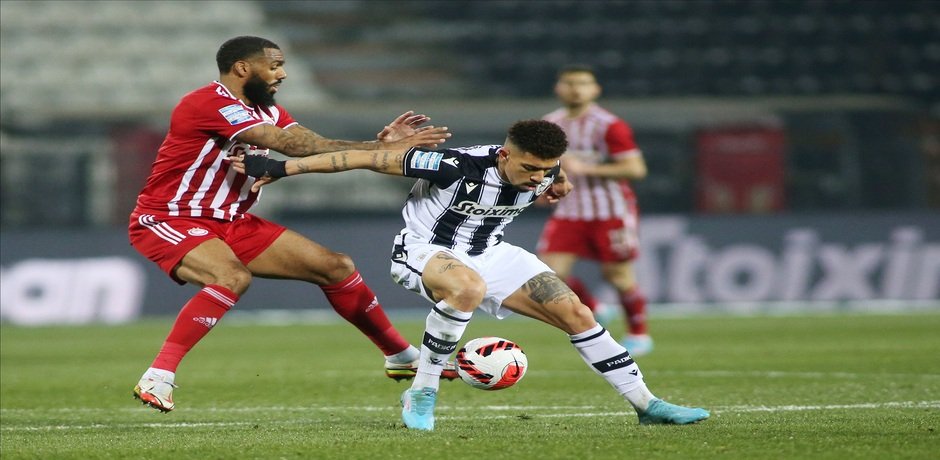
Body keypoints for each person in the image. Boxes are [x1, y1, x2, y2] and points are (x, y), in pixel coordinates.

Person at [232, 119, 709, 430]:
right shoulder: (454, 165)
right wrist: (282, 167)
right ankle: (422, 392)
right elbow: (361, 159)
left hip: (493, 252)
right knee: (468, 288)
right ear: (504, 155)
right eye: (530, 168)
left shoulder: (545, 168)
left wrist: (558, 182)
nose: (538, 177)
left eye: (546, 170)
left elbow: (556, 173)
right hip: (426, 250)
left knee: (578, 313)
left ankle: (647, 405)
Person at [128, 36, 455, 413]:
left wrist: (374, 146)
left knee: (335, 266)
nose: (282, 74)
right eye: (274, 66)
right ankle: (158, 376)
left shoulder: (265, 110)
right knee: (231, 277)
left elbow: (310, 142)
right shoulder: (208, 102)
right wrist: (380, 150)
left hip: (232, 221)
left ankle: (400, 356)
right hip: (170, 217)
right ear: (242, 68)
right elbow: (292, 147)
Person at [537, 65, 653, 356]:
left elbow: (635, 169)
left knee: (618, 275)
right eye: (569, 83)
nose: (576, 89)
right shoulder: (549, 124)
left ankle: (638, 334)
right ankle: (594, 308)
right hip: (569, 211)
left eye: (583, 83)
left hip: (610, 210)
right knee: (549, 273)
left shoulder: (609, 125)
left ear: (595, 89)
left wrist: (585, 168)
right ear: (558, 88)